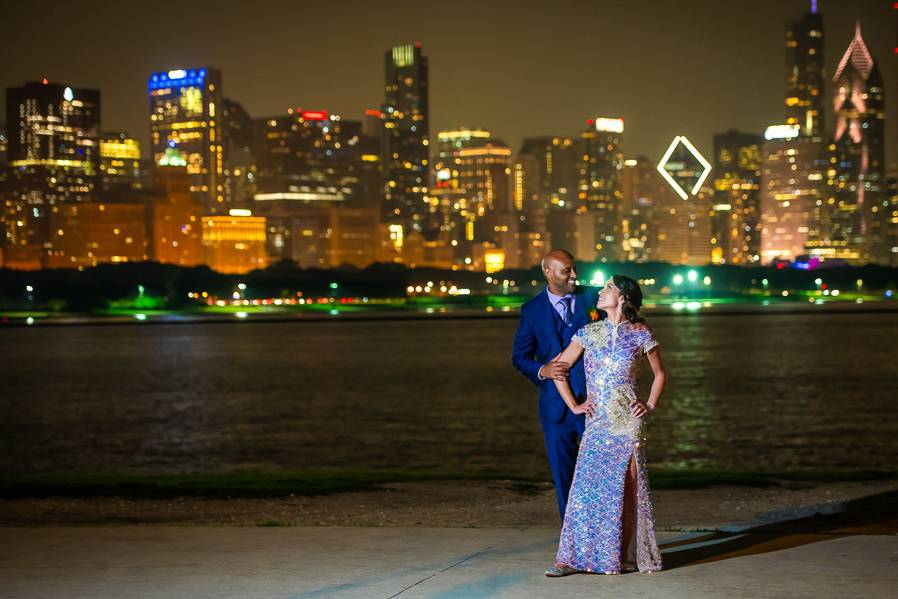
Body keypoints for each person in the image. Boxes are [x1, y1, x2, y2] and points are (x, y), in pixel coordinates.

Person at [545, 275, 666, 576]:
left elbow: (660, 374)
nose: (600, 292)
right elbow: (557, 369)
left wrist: (649, 405)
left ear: (623, 297)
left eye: (607, 288)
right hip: (597, 423)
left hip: (627, 424)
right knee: (585, 489)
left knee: (625, 491)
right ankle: (569, 558)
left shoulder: (641, 332)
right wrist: (574, 405)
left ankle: (620, 556)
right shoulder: (588, 333)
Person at [512, 249, 598, 520]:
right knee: (564, 476)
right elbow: (519, 357)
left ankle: (602, 537)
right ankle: (570, 541)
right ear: (548, 272)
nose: (574, 275)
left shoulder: (594, 298)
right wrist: (543, 370)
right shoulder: (531, 310)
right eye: (566, 271)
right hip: (555, 407)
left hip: (595, 401)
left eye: (574, 269)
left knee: (599, 471)